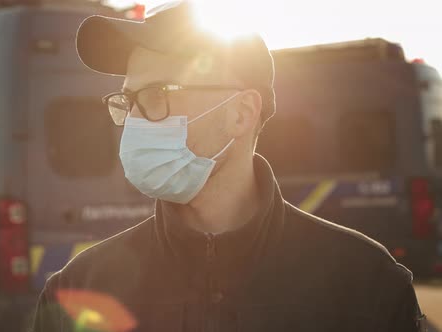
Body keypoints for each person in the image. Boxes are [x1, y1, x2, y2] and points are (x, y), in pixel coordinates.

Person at [31, 2, 427, 331]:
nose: (134, 119)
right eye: (127, 100)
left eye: (154, 94)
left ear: (240, 113)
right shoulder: (77, 289)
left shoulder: (367, 285)